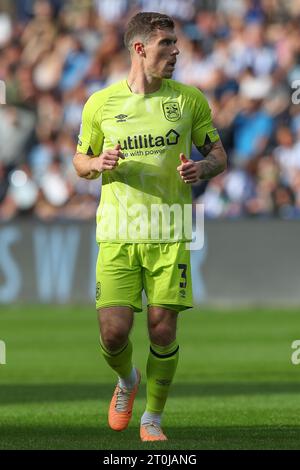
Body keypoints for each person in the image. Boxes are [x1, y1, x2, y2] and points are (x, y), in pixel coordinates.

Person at [73, 11, 227, 442]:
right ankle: (126, 380)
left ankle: (152, 419)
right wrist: (95, 164)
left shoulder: (189, 100)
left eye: (176, 43)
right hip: (118, 234)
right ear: (140, 49)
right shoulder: (100, 104)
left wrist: (202, 167)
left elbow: (219, 156)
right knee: (113, 331)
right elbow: (80, 160)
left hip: (168, 231)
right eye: (166, 44)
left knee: (162, 327)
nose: (176, 51)